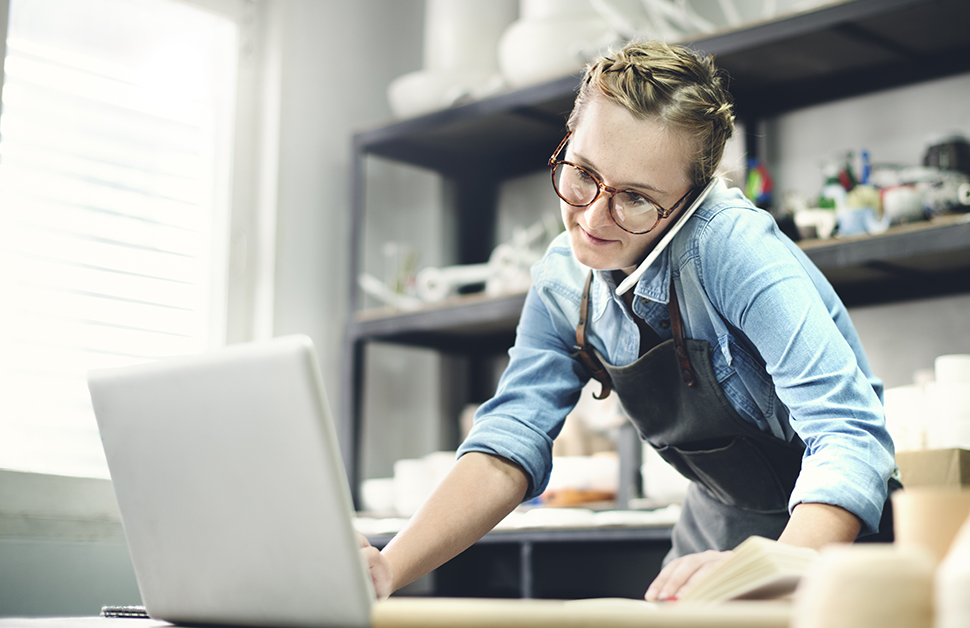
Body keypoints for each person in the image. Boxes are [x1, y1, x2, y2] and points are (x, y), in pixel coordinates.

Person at [359, 40, 897, 602]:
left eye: (636, 198)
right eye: (582, 172)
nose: (593, 217)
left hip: (832, 544)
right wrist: (386, 571)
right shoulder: (564, 281)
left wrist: (774, 570)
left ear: (689, 199)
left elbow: (849, 434)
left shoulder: (733, 247)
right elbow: (507, 445)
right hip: (716, 529)